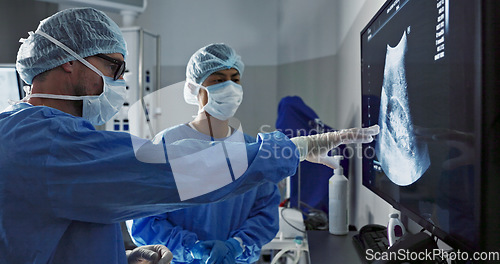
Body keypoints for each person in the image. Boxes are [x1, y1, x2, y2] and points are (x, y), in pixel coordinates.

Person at [0, 7, 379, 264]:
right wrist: (294, 147)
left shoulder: (29, 131)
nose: (119, 83)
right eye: (114, 68)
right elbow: (184, 172)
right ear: (70, 61)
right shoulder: (46, 144)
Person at [128, 44, 281, 264]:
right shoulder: (167, 144)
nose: (229, 87)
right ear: (194, 87)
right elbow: (144, 217)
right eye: (218, 80)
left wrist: (237, 245)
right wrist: (191, 248)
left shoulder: (252, 150)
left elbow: (265, 211)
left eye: (235, 80)